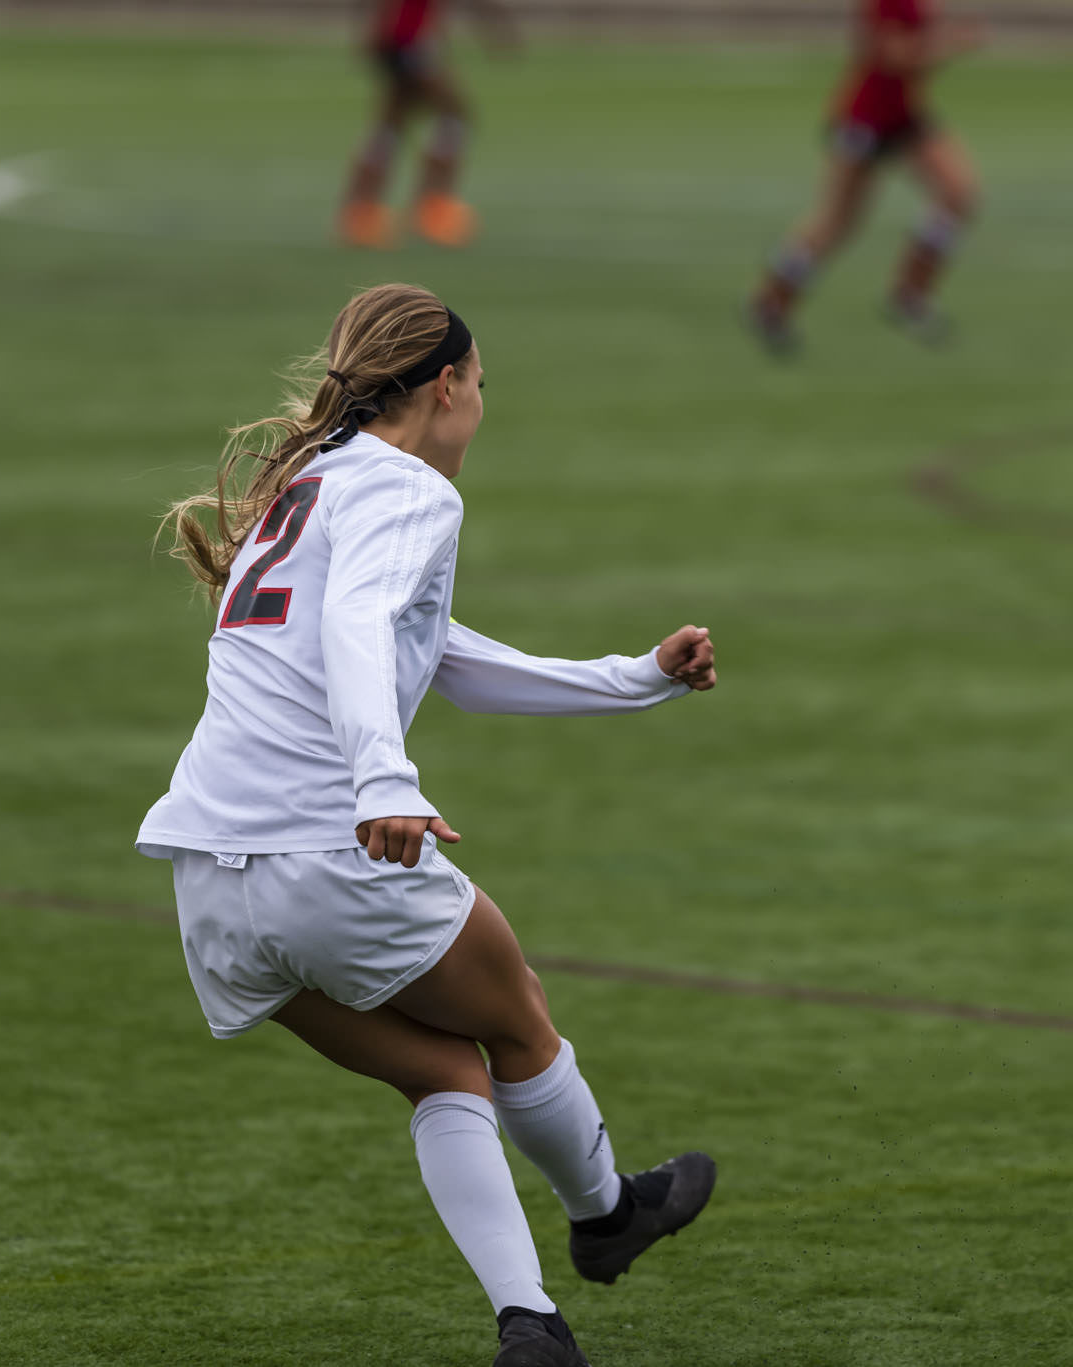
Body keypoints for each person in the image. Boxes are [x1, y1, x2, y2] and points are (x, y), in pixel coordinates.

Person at [141, 283, 717, 1367]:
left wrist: (635, 677)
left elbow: (438, 655)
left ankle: (533, 1325)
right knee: (520, 1024)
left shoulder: (302, 482)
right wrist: (381, 784)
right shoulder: (410, 490)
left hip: (207, 879)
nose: (480, 410)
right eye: (483, 387)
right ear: (443, 386)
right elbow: (360, 624)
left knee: (447, 1074)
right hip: (330, 849)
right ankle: (606, 1215)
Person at [746, 0, 985, 354]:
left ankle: (910, 292)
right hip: (867, 120)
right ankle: (771, 300)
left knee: (959, 193)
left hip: (904, 116)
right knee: (835, 223)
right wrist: (951, 45)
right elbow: (894, 57)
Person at [340, 0, 517, 249]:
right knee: (453, 115)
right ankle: (431, 212)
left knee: (393, 121)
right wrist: (498, 30)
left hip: (401, 40)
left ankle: (361, 215)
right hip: (408, 41)